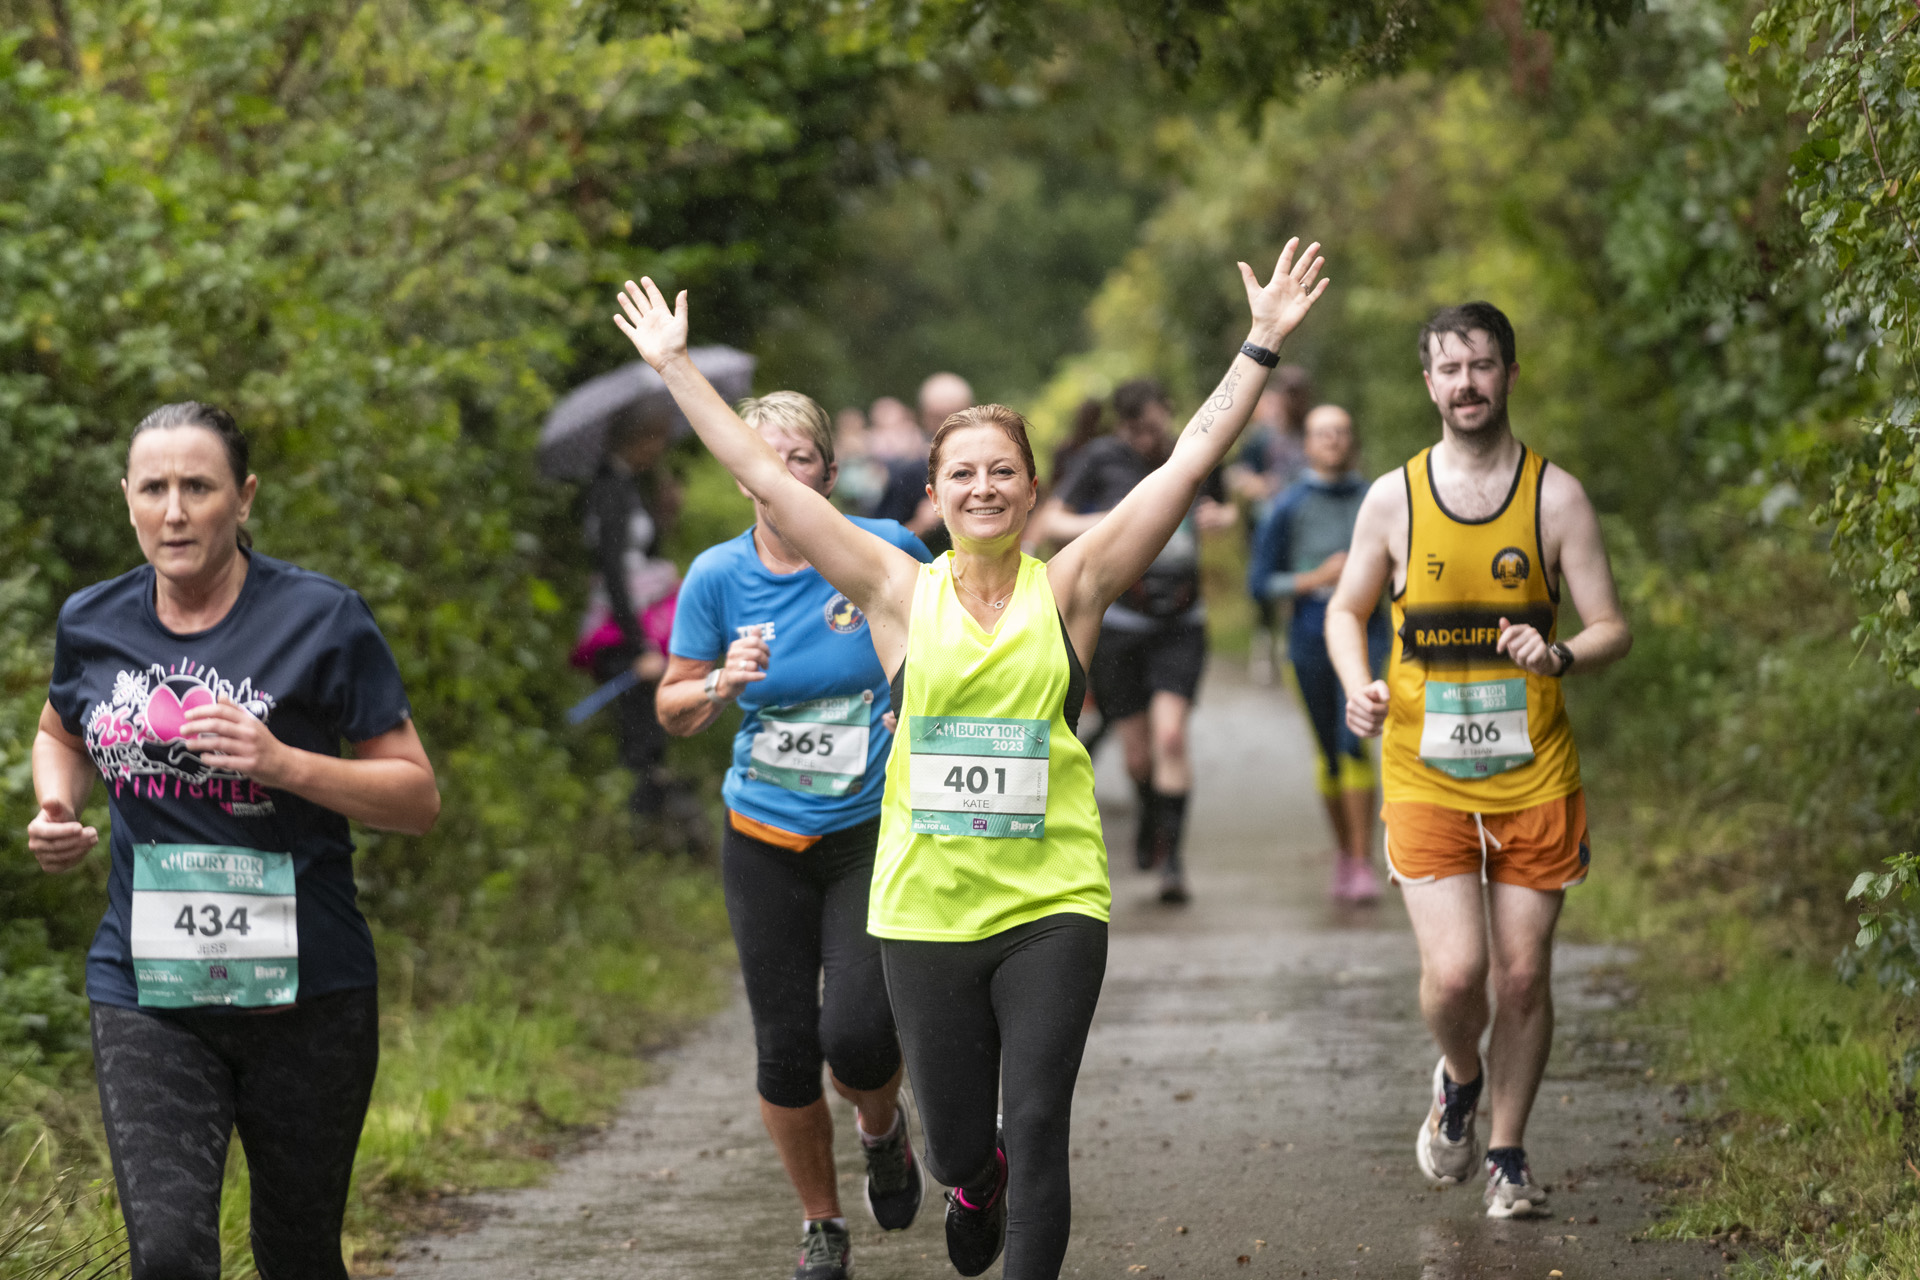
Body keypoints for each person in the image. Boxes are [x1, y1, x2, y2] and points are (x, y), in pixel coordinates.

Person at [613, 234, 1327, 1279]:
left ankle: (1012, 1201)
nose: (984, 487)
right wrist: (674, 366)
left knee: (1038, 1117)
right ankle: (969, 1175)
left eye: (1003, 471)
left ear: (1033, 489)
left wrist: (1259, 344)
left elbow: (1187, 461)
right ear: (936, 494)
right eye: (963, 473)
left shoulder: (1074, 585)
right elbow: (761, 470)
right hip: (924, 906)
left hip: (1052, 898)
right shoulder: (896, 590)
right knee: (962, 1138)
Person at [26, 402, 441, 1278]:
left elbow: (415, 797)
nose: (174, 511)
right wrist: (57, 808)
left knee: (296, 1252)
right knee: (171, 1254)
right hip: (148, 990)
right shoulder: (93, 621)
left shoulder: (323, 618)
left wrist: (284, 763)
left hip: (309, 991)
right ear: (128, 501)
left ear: (243, 499)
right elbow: (60, 731)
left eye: (198, 487)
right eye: (154, 488)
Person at [1324, 302, 1631, 1219]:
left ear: (1509, 373)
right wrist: (1357, 687)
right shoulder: (1394, 498)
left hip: (1536, 775)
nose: (1467, 384)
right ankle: (1460, 1077)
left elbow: (1613, 625)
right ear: (1429, 384)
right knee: (1458, 976)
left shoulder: (1556, 496)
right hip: (1424, 773)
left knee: (1523, 976)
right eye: (1450, 369)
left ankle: (1506, 1153)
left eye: (1483, 366)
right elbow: (1346, 610)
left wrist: (1563, 654)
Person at [655, 391, 934, 1280]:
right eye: (759, 460)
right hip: (763, 836)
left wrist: (914, 710)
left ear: (828, 470)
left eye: (798, 460)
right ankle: (823, 1223)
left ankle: (882, 1128)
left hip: (864, 831)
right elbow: (670, 703)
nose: (776, 477)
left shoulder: (886, 549)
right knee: (783, 1048)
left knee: (856, 1037)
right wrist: (716, 687)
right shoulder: (716, 578)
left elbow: (956, 656)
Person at [1034, 378, 1236, 905]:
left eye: (1159, 425)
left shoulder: (1188, 453)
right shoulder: (1101, 458)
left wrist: (1219, 516)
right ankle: (1150, 814)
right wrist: (1110, 522)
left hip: (1181, 619)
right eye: (1141, 430)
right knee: (1138, 754)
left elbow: (1225, 505)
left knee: (1171, 738)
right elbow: (1050, 519)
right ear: (1122, 425)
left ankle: (1172, 862)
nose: (1152, 439)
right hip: (1120, 622)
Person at [1249, 405, 1391, 902]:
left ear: (1352, 441)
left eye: (1341, 432)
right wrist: (1317, 579)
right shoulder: (1286, 507)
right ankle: (1346, 857)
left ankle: (1364, 862)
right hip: (1308, 639)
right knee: (1329, 754)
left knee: (1355, 739)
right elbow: (1261, 583)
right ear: (1306, 444)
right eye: (1321, 433)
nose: (1332, 441)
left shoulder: (1380, 500)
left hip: (1371, 634)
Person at [572, 405, 697, 847]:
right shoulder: (607, 490)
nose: (661, 448)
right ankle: (636, 838)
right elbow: (613, 573)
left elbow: (643, 552)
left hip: (641, 625)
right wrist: (639, 644)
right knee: (639, 736)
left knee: (650, 733)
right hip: (623, 632)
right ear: (636, 438)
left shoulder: (629, 487)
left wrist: (665, 515)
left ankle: (648, 834)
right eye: (656, 438)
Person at [1228, 368, 1313, 684]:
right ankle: (1265, 642)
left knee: (1300, 581)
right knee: (1264, 585)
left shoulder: (1311, 431)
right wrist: (1258, 484)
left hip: (1304, 523)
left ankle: (1291, 646)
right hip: (1266, 523)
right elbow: (1236, 473)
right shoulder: (1262, 436)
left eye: (1298, 393)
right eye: (1288, 393)